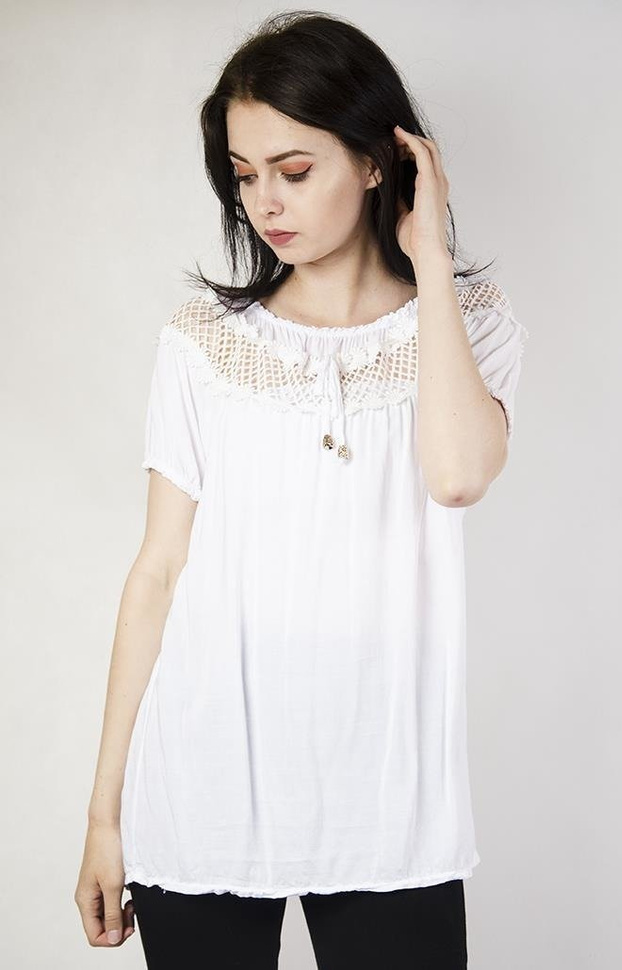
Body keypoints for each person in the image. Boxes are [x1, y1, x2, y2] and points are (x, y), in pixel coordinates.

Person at [74, 10, 529, 969]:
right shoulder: (203, 343)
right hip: (200, 790)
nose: (265, 204)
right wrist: (104, 816)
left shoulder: (469, 322)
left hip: (388, 805)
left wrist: (430, 259)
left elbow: (456, 476)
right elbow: (158, 574)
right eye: (244, 176)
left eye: (292, 170)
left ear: (374, 161)